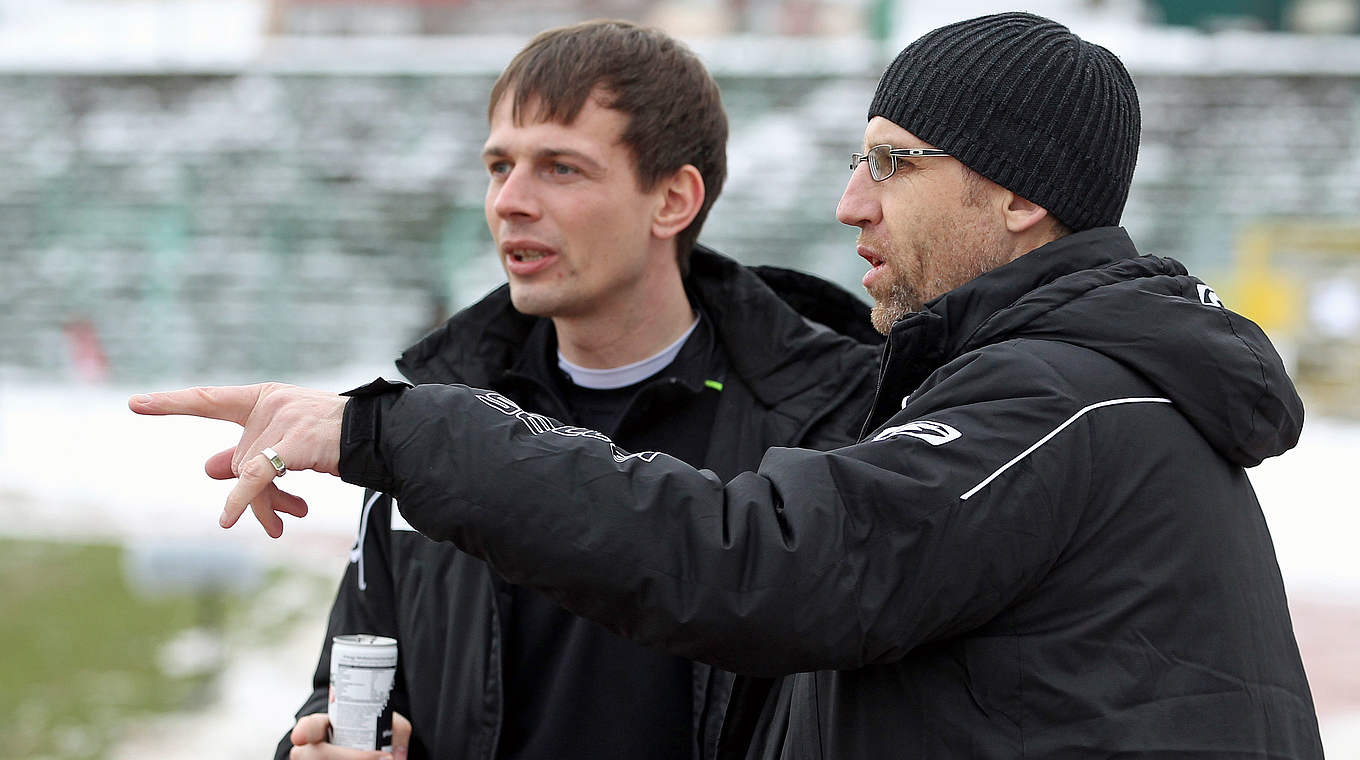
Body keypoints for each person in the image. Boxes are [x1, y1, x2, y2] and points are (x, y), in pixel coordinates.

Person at [133, 12, 1325, 758]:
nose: (851, 202)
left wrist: (394, 433)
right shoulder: (1045, 394)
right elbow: (356, 684)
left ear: (1019, 195)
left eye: (890, 165)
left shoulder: (1038, 411)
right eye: (498, 165)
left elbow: (759, 565)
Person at [258, 19, 881, 760]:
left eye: (560, 168)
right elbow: (354, 681)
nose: (509, 201)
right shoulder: (424, 416)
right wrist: (326, 743)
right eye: (498, 167)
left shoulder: (826, 429)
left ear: (673, 200)